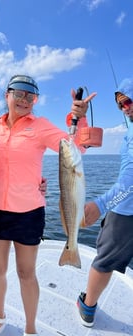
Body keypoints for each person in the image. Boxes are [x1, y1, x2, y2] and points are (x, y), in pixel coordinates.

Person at [0, 75, 96, 336]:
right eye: (18, 93)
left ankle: (30, 329)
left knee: (26, 273)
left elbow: (76, 146)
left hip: (28, 213)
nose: (24, 99)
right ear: (6, 95)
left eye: (30, 96)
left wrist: (80, 117)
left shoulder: (40, 126)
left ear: (35, 101)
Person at [77, 78, 133, 328]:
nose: (125, 108)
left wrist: (101, 204)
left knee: (104, 260)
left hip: (125, 213)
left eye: (129, 101)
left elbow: (130, 182)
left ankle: (87, 307)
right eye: (121, 104)